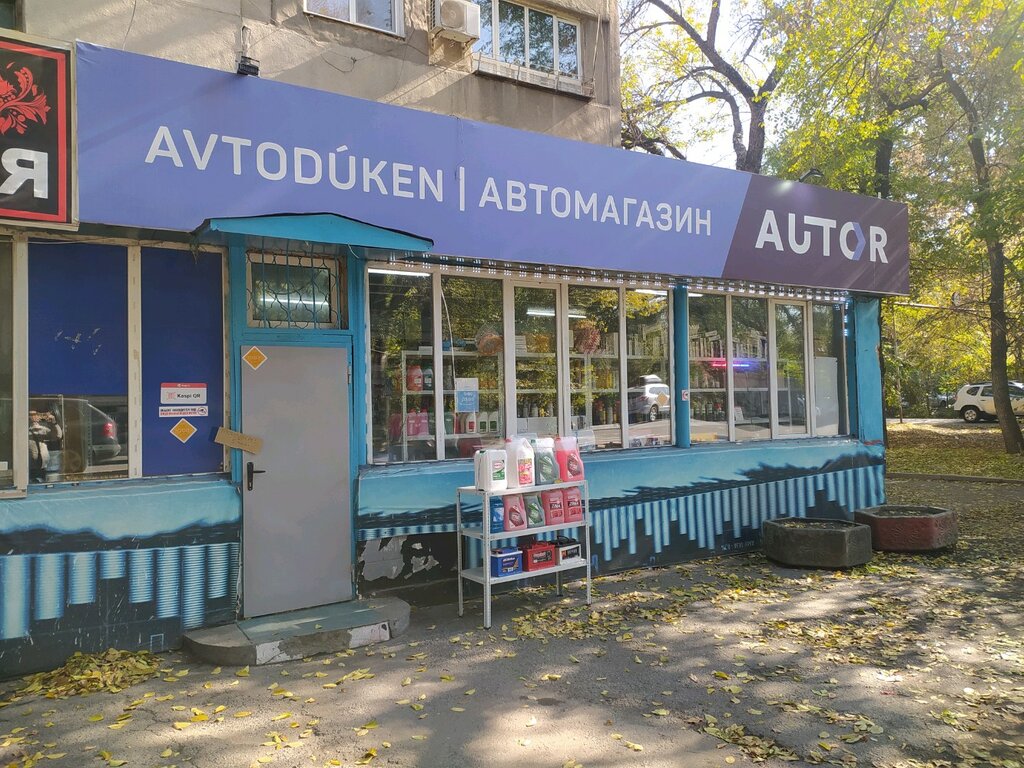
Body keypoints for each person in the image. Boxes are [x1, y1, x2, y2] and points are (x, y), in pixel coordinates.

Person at [28, 410, 62, 482]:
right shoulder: (24, 429)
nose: (34, 417)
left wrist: (54, 423)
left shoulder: (42, 428)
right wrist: (31, 426)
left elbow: (58, 436)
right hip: (29, 468)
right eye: (31, 415)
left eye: (36, 414)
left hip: (43, 467)